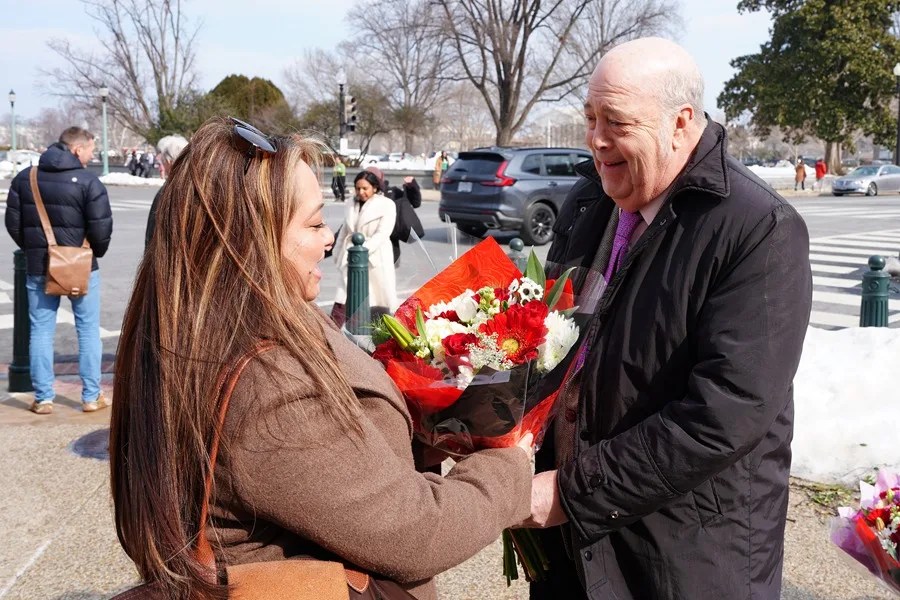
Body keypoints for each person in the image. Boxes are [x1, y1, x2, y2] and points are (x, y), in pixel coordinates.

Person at [109, 116, 533, 600]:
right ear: (252, 243)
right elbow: (414, 533)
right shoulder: (271, 385)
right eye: (312, 223)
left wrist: (430, 434)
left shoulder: (200, 327)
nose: (329, 239)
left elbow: (313, 477)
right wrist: (512, 469)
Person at [524, 37, 812, 600]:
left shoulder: (759, 230)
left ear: (681, 123)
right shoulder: (590, 201)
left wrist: (568, 492)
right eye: (589, 118)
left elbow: (724, 413)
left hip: (684, 555)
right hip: (573, 546)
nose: (596, 139)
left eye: (616, 121)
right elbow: (548, 341)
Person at [5, 126, 113, 414]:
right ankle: (91, 396)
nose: (92, 155)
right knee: (88, 330)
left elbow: (13, 224)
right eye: (90, 149)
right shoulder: (89, 182)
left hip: (40, 265)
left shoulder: (25, 179)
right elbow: (102, 228)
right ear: (77, 149)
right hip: (81, 266)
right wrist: (91, 253)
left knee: (40, 331)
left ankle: (43, 398)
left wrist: (35, 250)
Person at [330, 170, 398, 327]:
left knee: (378, 297)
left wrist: (363, 250)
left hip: (376, 258)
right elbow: (344, 231)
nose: (361, 192)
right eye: (357, 188)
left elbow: (383, 234)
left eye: (365, 188)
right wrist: (337, 252)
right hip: (351, 255)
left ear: (374, 187)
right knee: (344, 295)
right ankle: (338, 333)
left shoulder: (386, 205)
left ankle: (380, 334)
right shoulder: (350, 204)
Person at [365, 166, 423, 266]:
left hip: (389, 251)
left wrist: (412, 186)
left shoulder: (392, 193)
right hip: (366, 251)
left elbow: (415, 202)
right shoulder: (361, 197)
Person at [144, 134, 189, 246]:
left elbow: (152, 236)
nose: (163, 166)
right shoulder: (200, 188)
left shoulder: (167, 192)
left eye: (163, 161)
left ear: (170, 162)